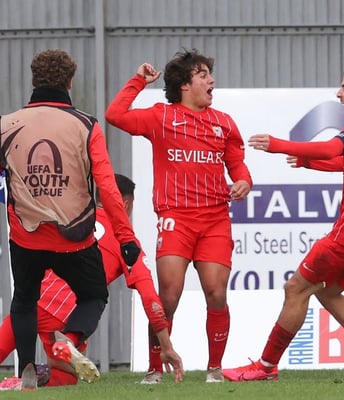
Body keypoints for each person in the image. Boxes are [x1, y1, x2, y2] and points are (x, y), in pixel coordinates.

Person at [222, 64, 344, 381]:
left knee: (296, 288)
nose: (339, 94)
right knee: (327, 290)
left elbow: (332, 147)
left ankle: (266, 366)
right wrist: (309, 163)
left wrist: (279, 144)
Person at [105, 48, 253, 383]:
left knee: (216, 293)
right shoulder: (160, 117)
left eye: (209, 74)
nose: (211, 80)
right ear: (185, 85)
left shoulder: (224, 123)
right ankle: (154, 368)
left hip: (215, 218)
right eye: (203, 75)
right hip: (176, 218)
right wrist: (138, 81)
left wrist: (244, 180)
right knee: (168, 295)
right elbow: (115, 115)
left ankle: (214, 369)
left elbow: (237, 163)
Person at [0, 49, 143, 390]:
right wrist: (125, 237)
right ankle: (71, 338)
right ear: (70, 82)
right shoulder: (86, 124)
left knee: (24, 300)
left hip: (25, 237)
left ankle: (28, 369)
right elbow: (107, 187)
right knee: (94, 295)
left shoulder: (5, 125)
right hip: (74, 239)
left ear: (34, 80)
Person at [0, 174, 184, 390]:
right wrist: (166, 346)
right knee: (65, 375)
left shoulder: (72, 218)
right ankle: (53, 361)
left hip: (34, 298)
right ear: (125, 204)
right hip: (69, 314)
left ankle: (28, 377)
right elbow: (149, 296)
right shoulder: (126, 241)